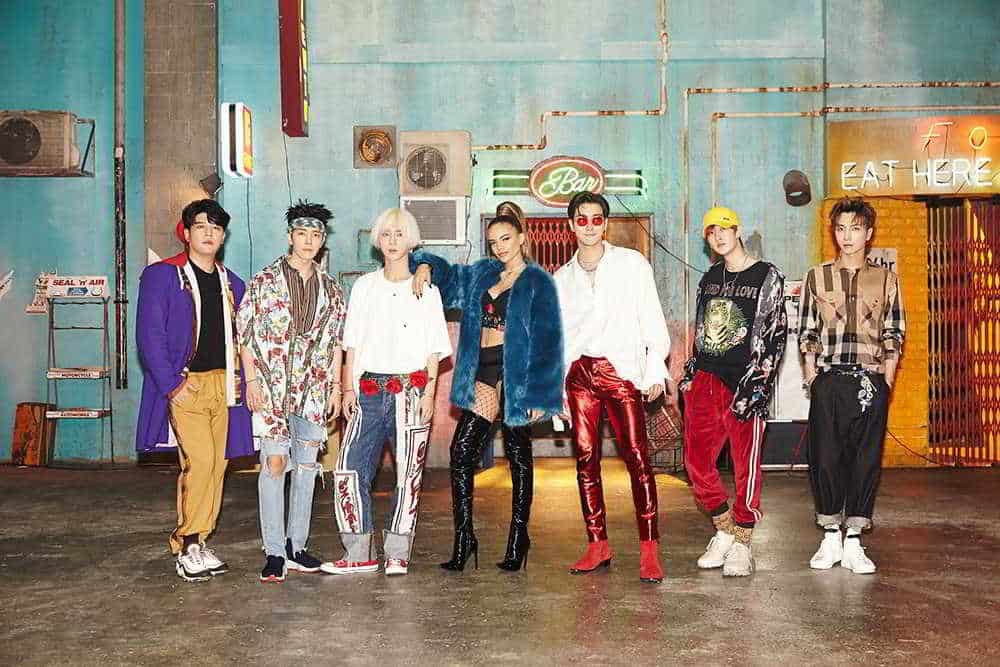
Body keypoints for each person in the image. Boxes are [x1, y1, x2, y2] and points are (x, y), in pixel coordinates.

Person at [412, 202, 564, 573]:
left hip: (517, 374)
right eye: (494, 241)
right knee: (461, 452)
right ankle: (465, 538)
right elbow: (450, 281)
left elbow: (549, 339)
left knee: (517, 454)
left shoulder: (538, 281)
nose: (499, 247)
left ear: (522, 238)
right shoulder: (482, 273)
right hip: (481, 369)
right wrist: (426, 264)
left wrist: (542, 394)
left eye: (506, 239)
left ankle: (518, 537)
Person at [553, 191, 672, 584]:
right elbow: (559, 337)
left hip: (621, 371)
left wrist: (654, 370)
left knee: (637, 456)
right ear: (571, 225)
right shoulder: (561, 278)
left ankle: (649, 549)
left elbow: (651, 317)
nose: (589, 226)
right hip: (579, 375)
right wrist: (557, 390)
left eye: (596, 219)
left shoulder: (632, 264)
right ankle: (597, 544)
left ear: (605, 223)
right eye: (581, 219)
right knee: (585, 460)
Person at [328, 208, 451, 576]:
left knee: (408, 476)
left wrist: (429, 394)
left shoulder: (427, 290)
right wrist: (347, 388)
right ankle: (358, 551)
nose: (393, 241)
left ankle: (398, 552)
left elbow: (434, 349)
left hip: (411, 391)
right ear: (377, 240)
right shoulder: (364, 287)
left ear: (410, 240)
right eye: (386, 234)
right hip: (366, 391)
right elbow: (351, 343)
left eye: (399, 234)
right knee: (348, 470)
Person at [135, 199, 253, 582]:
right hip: (187, 384)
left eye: (216, 228)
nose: (209, 233)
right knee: (200, 462)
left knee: (218, 464)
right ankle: (186, 544)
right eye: (201, 226)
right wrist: (172, 385)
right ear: (186, 233)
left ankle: (200, 540)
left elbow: (245, 337)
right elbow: (149, 334)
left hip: (225, 384)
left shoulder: (233, 283)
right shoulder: (162, 276)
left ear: (223, 236)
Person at [236, 200, 347, 583]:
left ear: (323, 240)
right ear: (290, 236)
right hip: (271, 384)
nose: (309, 241)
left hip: (314, 387)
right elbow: (245, 333)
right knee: (274, 464)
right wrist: (251, 380)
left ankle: (297, 546)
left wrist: (336, 386)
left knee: (307, 468)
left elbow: (336, 341)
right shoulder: (264, 281)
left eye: (316, 234)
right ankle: (274, 551)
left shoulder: (332, 289)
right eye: (302, 233)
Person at [799, 197, 905, 574]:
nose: (847, 236)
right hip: (829, 380)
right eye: (841, 228)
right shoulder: (817, 276)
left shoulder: (887, 279)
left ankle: (855, 541)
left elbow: (893, 331)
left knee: (865, 459)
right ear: (834, 232)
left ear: (868, 233)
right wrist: (812, 376)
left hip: (870, 380)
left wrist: (886, 379)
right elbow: (807, 330)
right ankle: (830, 536)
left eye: (855, 229)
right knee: (825, 457)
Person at [680, 206, 786, 577]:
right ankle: (723, 529)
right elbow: (700, 327)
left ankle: (743, 540)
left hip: (745, 382)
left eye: (724, 229)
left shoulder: (766, 274)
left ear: (737, 230)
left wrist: (759, 384)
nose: (719, 236)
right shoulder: (710, 277)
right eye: (711, 232)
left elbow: (775, 335)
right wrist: (691, 375)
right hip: (706, 379)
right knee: (696, 461)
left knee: (745, 467)